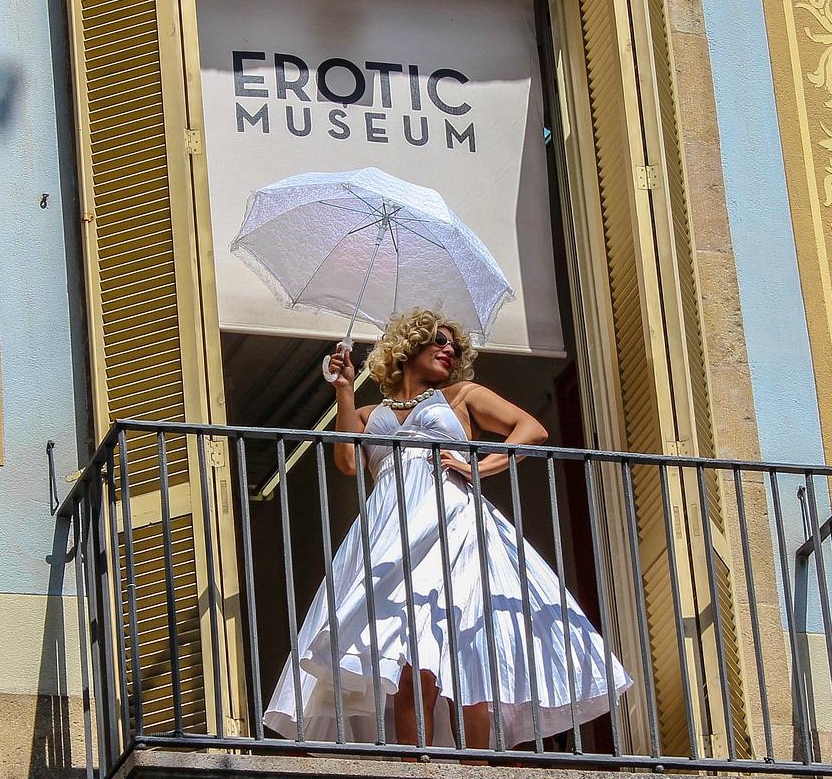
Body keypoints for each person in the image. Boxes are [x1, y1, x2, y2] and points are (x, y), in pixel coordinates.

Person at [262, 309, 632, 751]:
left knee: (463, 646)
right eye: (438, 340)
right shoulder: (367, 413)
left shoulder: (461, 396)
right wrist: (343, 389)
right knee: (405, 659)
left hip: (450, 523)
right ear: (409, 346)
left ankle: (477, 771)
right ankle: (414, 769)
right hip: (389, 532)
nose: (448, 349)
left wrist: (479, 464)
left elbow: (530, 430)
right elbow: (346, 461)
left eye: (453, 346)